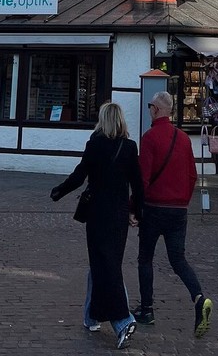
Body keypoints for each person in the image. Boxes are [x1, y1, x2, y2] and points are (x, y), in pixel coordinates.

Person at [51, 102, 143, 349]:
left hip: (98, 214)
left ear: (103, 120)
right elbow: (138, 185)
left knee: (106, 266)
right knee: (104, 263)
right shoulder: (129, 147)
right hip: (118, 215)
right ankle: (91, 316)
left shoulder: (95, 145)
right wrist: (136, 212)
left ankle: (123, 321)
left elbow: (79, 175)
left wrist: (60, 190)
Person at [135, 90, 212, 337]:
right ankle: (199, 298)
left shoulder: (149, 138)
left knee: (145, 259)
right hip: (178, 211)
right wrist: (182, 200)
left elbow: (142, 179)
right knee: (178, 260)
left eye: (150, 106)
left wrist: (134, 208)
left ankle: (147, 310)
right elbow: (192, 176)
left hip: (154, 208)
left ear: (156, 109)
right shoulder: (183, 138)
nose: (149, 109)